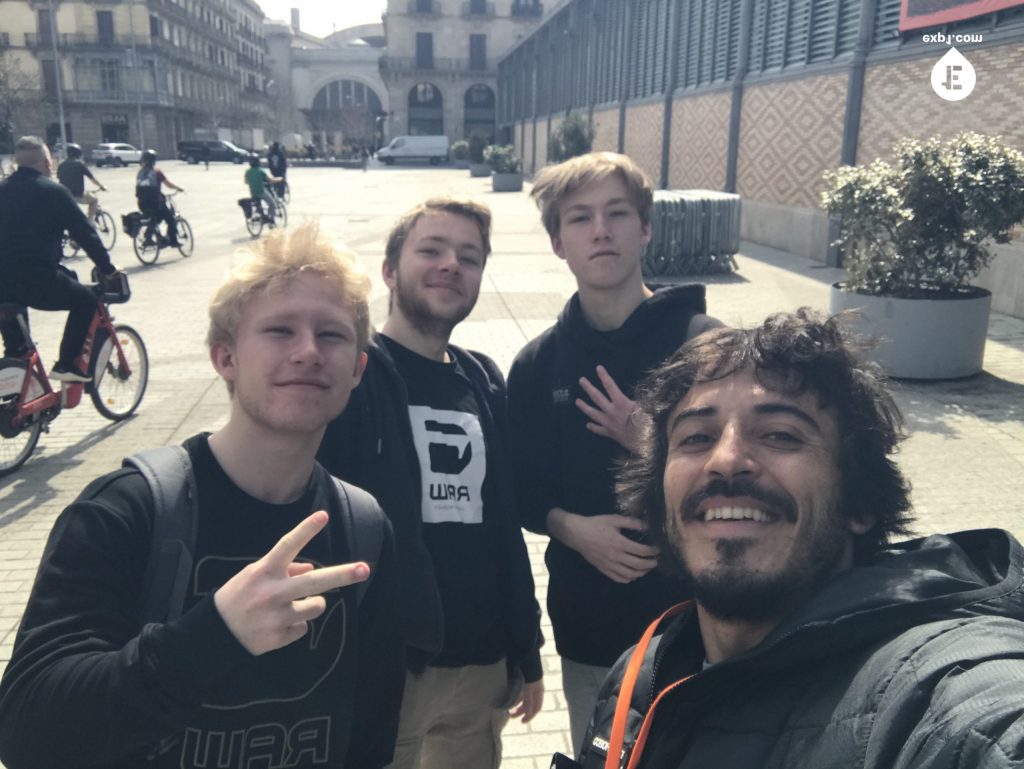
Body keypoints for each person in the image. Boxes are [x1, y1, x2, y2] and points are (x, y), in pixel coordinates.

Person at [0, 223, 405, 769]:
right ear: (226, 359)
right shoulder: (127, 510)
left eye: (332, 335)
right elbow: (27, 732)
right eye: (280, 330)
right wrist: (214, 634)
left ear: (357, 369)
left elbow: (371, 731)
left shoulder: (365, 527)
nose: (308, 351)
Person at [570, 308, 1024, 769]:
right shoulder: (642, 676)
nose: (725, 459)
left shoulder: (933, 693)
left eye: (781, 435)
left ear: (859, 502)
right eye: (695, 437)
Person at [318, 198, 545, 769]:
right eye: (432, 250)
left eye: (469, 257)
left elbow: (503, 523)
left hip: (482, 664)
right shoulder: (353, 374)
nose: (451, 265)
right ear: (390, 271)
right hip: (386, 665)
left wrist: (527, 651)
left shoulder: (482, 377)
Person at [507, 151, 721, 753]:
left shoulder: (705, 347)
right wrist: (572, 530)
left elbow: (748, 476)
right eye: (579, 218)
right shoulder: (535, 364)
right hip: (589, 626)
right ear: (558, 243)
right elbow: (521, 490)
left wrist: (651, 440)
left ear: (645, 228)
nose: (600, 230)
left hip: (701, 623)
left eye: (617, 213)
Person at [0, 135, 119, 381]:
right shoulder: (54, 191)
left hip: (2, 285)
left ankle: (19, 407)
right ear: (47, 163)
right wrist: (107, 268)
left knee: (17, 352)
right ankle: (66, 365)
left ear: (16, 162)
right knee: (85, 300)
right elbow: (85, 234)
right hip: (37, 280)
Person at [135, 149, 184, 247]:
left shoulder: (140, 172)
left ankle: (148, 239)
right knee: (170, 219)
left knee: (155, 219)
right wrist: (179, 188)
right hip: (156, 203)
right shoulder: (156, 172)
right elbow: (168, 184)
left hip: (142, 203)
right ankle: (173, 241)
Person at [56, 143, 106, 220]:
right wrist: (101, 186)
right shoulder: (79, 164)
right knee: (94, 200)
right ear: (79, 153)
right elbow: (92, 178)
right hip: (77, 194)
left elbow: (59, 177)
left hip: (64, 195)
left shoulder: (61, 165)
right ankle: (90, 221)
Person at [244, 154, 282, 228]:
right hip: (261, 192)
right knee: (272, 204)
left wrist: (254, 181)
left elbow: (246, 182)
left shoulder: (247, 171)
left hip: (253, 193)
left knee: (259, 206)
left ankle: (262, 217)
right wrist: (280, 179)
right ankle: (271, 221)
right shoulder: (260, 171)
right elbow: (271, 180)